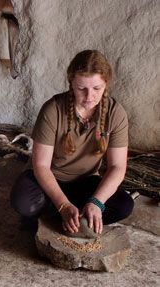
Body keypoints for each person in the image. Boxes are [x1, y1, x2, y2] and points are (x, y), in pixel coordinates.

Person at [10, 50, 134, 234]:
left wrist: (96, 202)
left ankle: (64, 214)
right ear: (71, 84)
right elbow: (41, 166)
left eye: (97, 88)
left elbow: (117, 166)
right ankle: (66, 212)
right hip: (49, 178)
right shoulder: (52, 110)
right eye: (81, 88)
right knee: (23, 202)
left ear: (106, 84)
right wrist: (63, 205)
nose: (89, 96)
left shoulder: (116, 114)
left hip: (84, 181)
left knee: (123, 206)